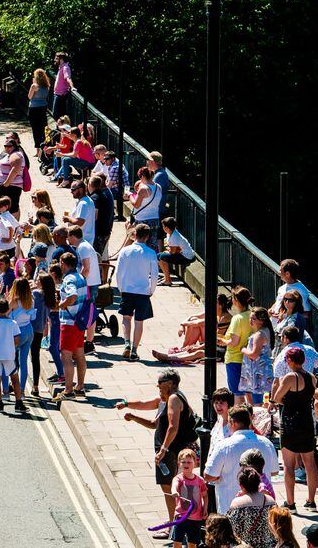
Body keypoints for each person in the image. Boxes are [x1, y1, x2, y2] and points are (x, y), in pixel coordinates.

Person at [115, 369, 200, 523]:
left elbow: (173, 427)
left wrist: (163, 449)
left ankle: (174, 524)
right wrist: (130, 411)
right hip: (171, 452)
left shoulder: (174, 399)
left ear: (170, 383)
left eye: (160, 383)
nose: (158, 386)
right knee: (172, 488)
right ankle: (178, 522)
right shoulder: (165, 400)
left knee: (170, 488)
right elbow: (151, 417)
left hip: (173, 452)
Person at [204, 405, 279, 515]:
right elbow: (274, 471)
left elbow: (208, 475)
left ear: (232, 422)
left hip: (230, 508)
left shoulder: (223, 446)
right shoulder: (266, 443)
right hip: (261, 508)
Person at [268, 346, 316, 511]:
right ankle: (311, 501)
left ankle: (290, 502)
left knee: (288, 465)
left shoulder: (290, 377)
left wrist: (287, 402)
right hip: (307, 423)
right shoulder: (311, 378)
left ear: (290, 360)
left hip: (290, 423)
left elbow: (276, 397)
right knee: (310, 464)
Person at [116, 224, 160, 359]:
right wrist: (151, 290)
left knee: (126, 318)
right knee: (139, 321)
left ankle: (127, 344)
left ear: (135, 234)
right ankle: (135, 350)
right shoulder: (151, 253)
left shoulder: (125, 251)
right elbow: (154, 275)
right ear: (147, 237)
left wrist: (121, 288)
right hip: (143, 291)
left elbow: (118, 272)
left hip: (127, 290)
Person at [0, 298, 24, 412]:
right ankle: (18, 403)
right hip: (8, 355)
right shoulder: (13, 323)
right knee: (15, 379)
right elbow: (17, 340)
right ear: (8, 309)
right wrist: (10, 347)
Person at [226, 467, 276, 548]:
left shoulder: (237, 503)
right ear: (258, 483)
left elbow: (232, 531)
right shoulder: (270, 501)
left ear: (241, 486)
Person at [169, 448, 207, 548]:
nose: (186, 464)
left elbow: (205, 495)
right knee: (177, 541)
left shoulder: (200, 480)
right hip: (181, 516)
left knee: (192, 543)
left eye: (189, 462)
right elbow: (174, 486)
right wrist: (174, 492)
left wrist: (205, 509)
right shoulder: (178, 478)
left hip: (196, 517)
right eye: (183, 462)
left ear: (195, 463)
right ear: (179, 464)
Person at [221, 287, 254, 396]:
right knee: (248, 393)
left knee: (237, 394)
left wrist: (222, 341)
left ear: (236, 300)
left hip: (234, 358)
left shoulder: (237, 318)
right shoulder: (253, 315)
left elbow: (234, 342)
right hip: (249, 360)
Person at [239, 308, 274, 406]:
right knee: (264, 399)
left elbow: (254, 355)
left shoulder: (259, 334)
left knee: (258, 402)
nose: (250, 321)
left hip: (258, 372)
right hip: (261, 370)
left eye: (253, 318)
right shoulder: (266, 330)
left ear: (261, 320)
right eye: (250, 318)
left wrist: (243, 349)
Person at [51, 52, 74, 119]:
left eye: (57, 58)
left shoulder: (65, 68)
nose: (55, 60)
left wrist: (72, 87)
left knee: (57, 116)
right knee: (58, 116)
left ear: (61, 59)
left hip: (60, 95)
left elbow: (68, 78)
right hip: (58, 94)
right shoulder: (61, 67)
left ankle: (60, 129)